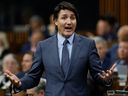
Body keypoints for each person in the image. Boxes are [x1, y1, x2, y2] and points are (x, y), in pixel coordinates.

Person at [5, 1, 115, 96]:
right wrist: (20, 83)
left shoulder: (88, 44)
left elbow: (97, 75)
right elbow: (33, 77)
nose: (69, 22)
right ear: (55, 21)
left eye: (73, 18)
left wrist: (105, 79)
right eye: (64, 17)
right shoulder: (43, 46)